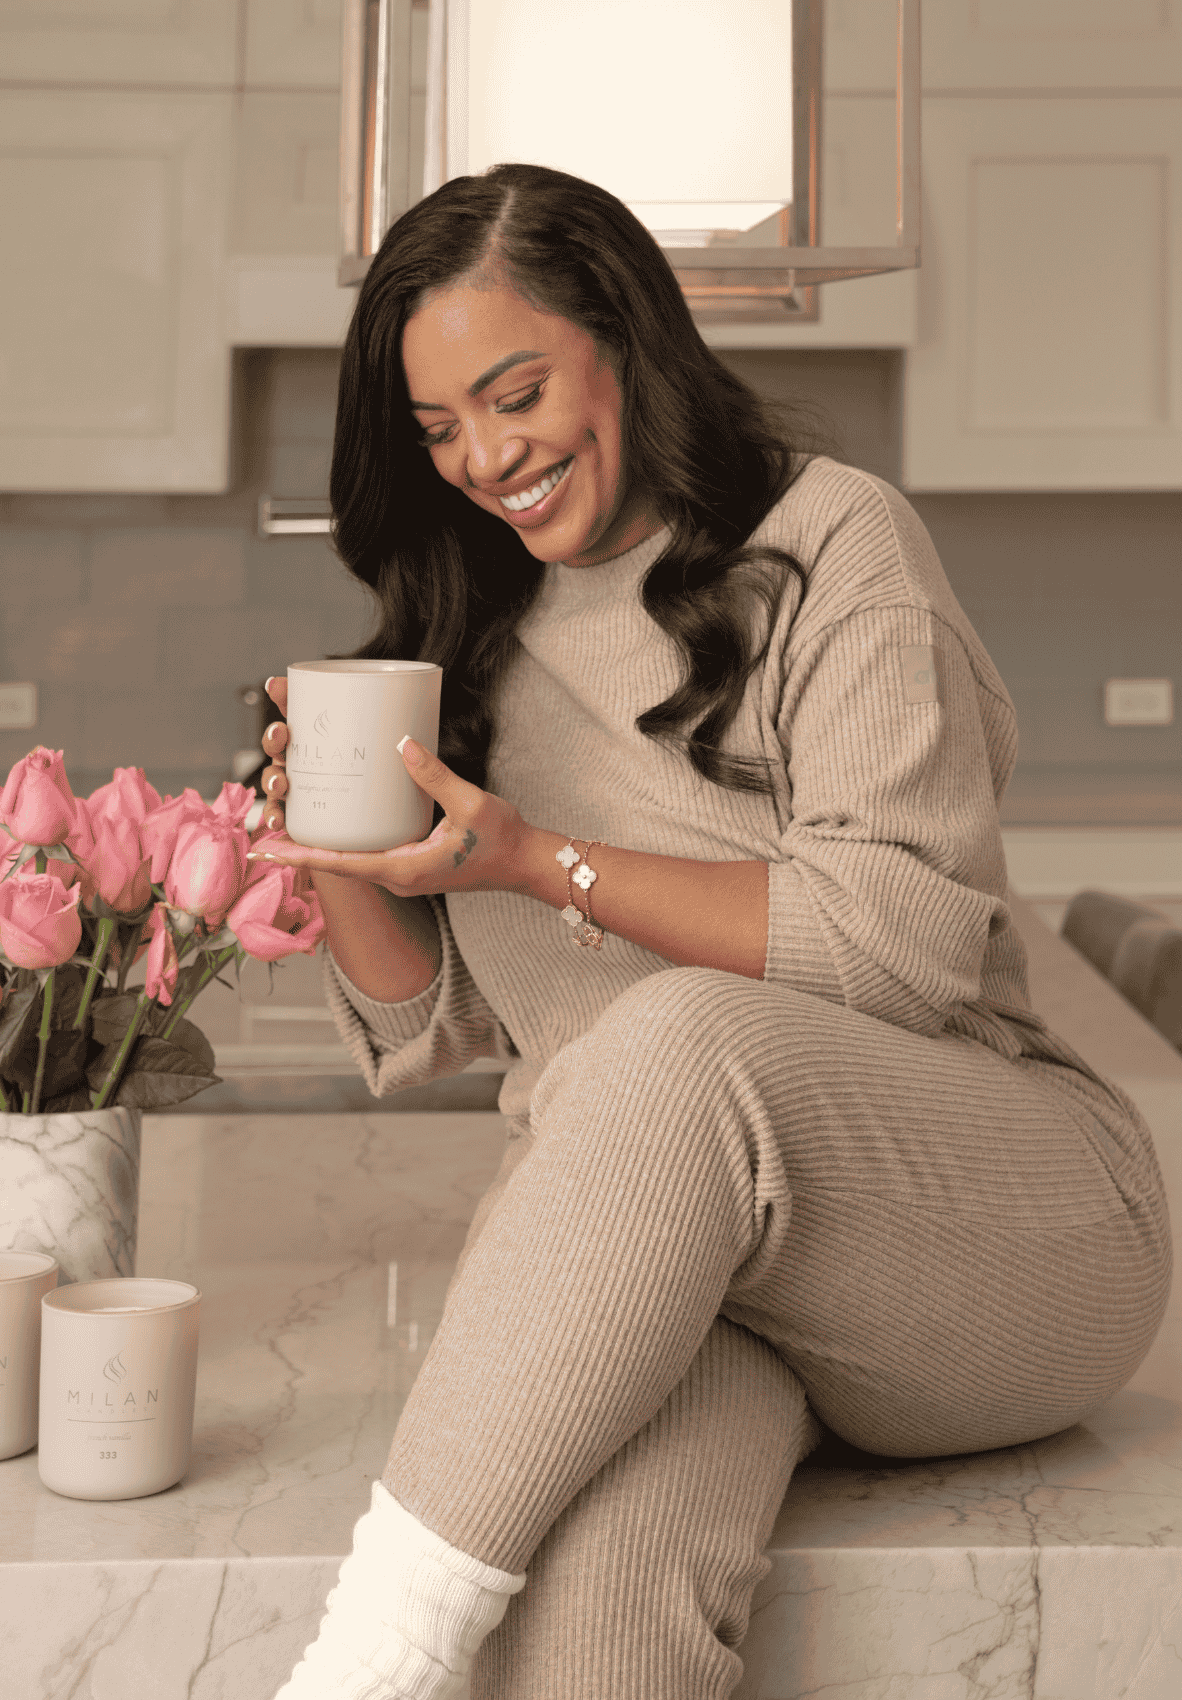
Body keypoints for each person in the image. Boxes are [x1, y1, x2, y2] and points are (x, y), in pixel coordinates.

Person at [258, 163, 1171, 1700]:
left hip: (1002, 1232)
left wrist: (539, 860)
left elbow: (900, 946)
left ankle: (365, 1664)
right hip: (712, 1274)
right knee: (594, 1620)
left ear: (625, 340)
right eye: (438, 428)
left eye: (516, 394)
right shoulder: (474, 628)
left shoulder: (834, 545)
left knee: (675, 1033)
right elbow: (433, 1034)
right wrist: (334, 849)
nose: (485, 457)